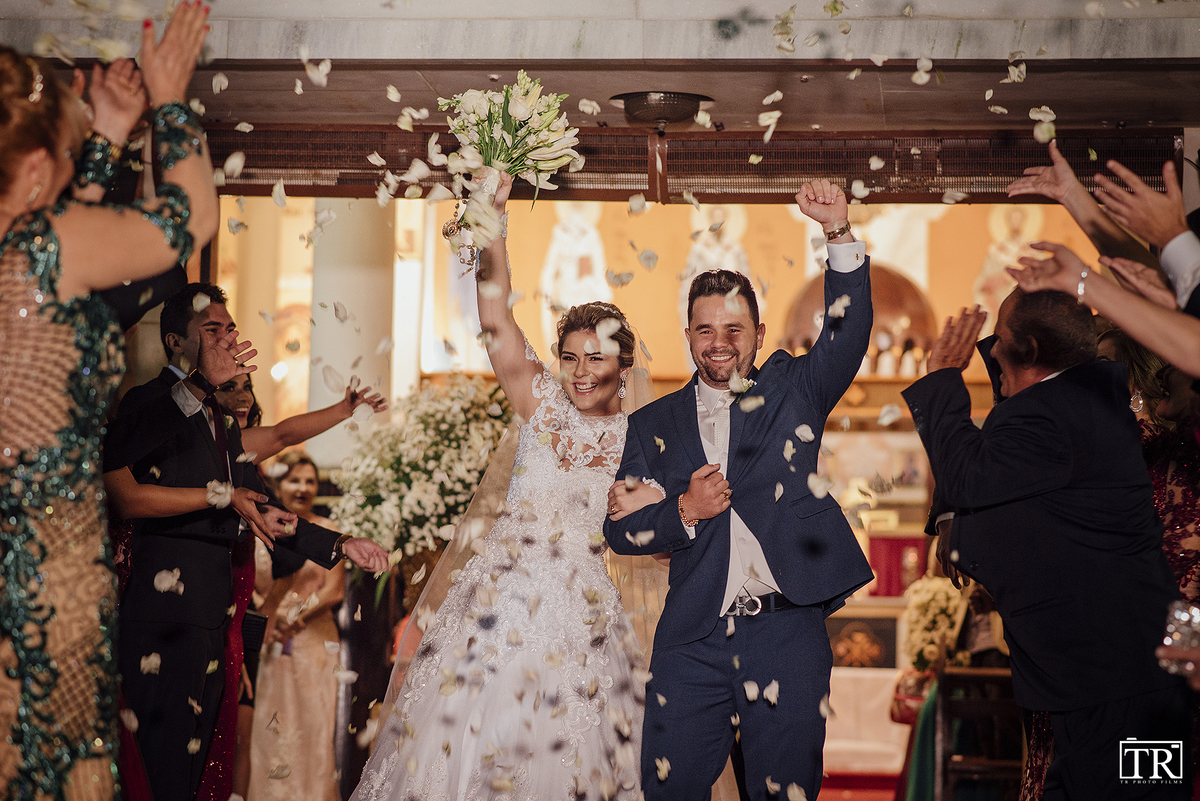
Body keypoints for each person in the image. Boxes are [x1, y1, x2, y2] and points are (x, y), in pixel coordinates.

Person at [351, 169, 657, 801]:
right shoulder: (540, 405)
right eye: (569, 357)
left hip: (583, 619)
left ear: (624, 367)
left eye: (596, 358)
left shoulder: (641, 441)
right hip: (497, 608)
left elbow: (654, 533)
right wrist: (492, 221)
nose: (579, 372)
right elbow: (494, 314)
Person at [0, 4, 219, 796]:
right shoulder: (45, 248)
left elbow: (63, 272)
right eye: (65, 155)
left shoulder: (26, 253)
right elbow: (192, 218)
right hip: (39, 568)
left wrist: (107, 136)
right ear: (34, 171)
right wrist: (170, 102)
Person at [603, 179, 875, 801]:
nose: (719, 342)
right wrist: (682, 510)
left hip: (786, 633)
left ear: (758, 331)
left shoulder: (794, 392)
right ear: (688, 335)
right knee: (667, 790)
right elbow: (621, 531)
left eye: (734, 327)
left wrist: (837, 232)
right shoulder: (653, 423)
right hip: (691, 639)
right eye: (705, 329)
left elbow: (848, 331)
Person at [102, 282, 389, 801]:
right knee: (160, 772)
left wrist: (340, 544)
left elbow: (259, 504)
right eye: (211, 330)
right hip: (164, 618)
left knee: (194, 777)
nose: (227, 339)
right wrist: (199, 388)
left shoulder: (219, 421)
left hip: (214, 620)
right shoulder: (147, 400)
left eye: (230, 329)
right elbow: (126, 478)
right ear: (174, 342)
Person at [901, 294, 1189, 800]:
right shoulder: (1075, 401)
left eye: (1001, 341)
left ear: (1031, 349)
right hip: (1105, 687)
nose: (991, 352)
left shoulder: (1056, 414)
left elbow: (969, 477)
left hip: (1128, 694)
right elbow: (987, 475)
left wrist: (943, 376)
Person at [195, 375, 387, 801]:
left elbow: (283, 435)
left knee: (285, 732)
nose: (243, 398)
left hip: (280, 636)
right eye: (230, 388)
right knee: (240, 736)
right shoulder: (205, 455)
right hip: (229, 623)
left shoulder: (257, 485)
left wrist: (341, 544)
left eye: (248, 387)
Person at [249, 451, 346, 801]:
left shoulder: (330, 532)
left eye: (310, 481)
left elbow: (334, 591)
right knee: (268, 724)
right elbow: (250, 586)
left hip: (313, 641)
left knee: (313, 726)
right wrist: (268, 617)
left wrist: (293, 617)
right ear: (278, 486)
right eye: (294, 480)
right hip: (268, 639)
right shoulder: (260, 528)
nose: (303, 488)